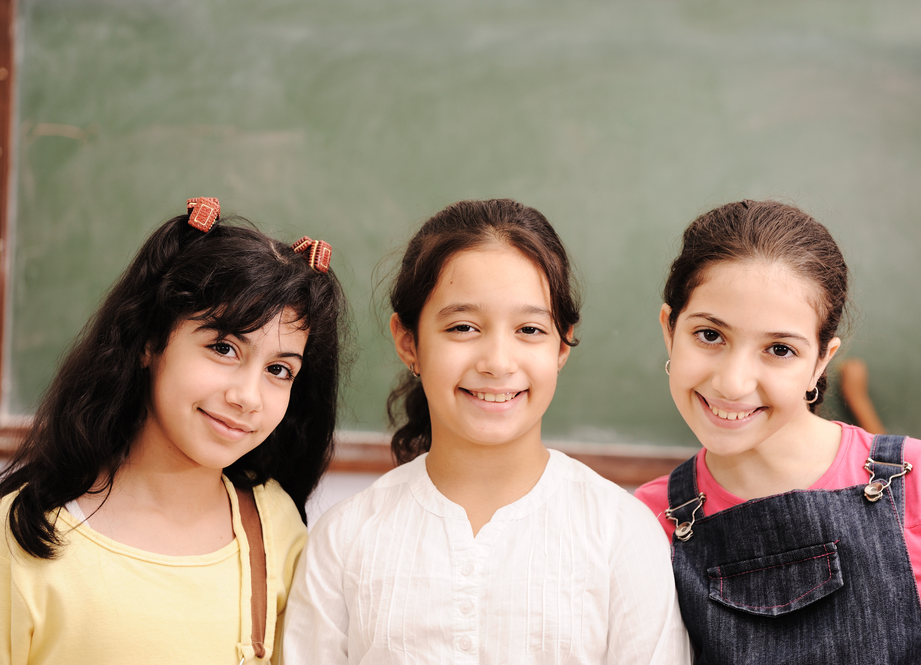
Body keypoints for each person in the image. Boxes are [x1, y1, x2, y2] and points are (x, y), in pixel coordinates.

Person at [283, 199, 690, 664]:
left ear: (562, 345)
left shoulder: (622, 534)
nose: (497, 362)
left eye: (530, 329)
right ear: (408, 342)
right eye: (463, 327)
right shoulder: (344, 539)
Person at [0, 198, 347, 664]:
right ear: (150, 340)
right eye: (223, 348)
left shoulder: (274, 527)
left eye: (279, 370)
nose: (248, 396)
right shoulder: (27, 530)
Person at [635, 200, 921, 664]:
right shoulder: (646, 523)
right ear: (670, 330)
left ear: (821, 361)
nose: (733, 383)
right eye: (710, 335)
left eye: (779, 349)